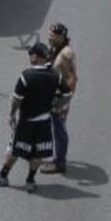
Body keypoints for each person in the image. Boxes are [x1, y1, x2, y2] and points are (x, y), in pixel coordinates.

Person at [0, 43, 71, 193]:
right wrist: (55, 106)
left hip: (26, 122)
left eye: (31, 55)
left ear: (36, 57)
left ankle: (2, 176)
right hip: (44, 122)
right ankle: (30, 180)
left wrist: (12, 114)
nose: (30, 58)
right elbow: (67, 94)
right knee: (37, 153)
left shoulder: (27, 75)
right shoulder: (56, 76)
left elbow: (17, 99)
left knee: (14, 149)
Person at [44, 23, 78, 173]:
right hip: (51, 96)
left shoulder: (66, 54)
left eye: (53, 37)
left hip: (59, 99)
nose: (49, 38)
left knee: (59, 130)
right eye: (49, 36)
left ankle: (60, 162)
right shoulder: (56, 48)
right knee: (51, 126)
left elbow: (72, 78)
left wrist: (64, 102)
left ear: (61, 36)